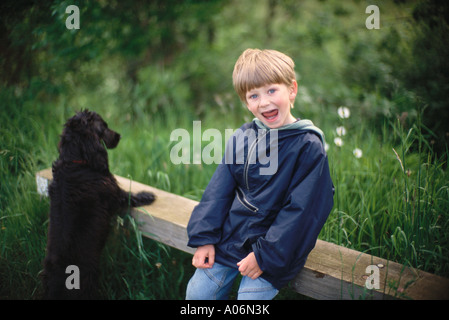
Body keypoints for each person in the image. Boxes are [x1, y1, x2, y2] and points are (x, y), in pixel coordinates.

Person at [185, 48, 334, 300]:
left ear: (292, 90)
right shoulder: (243, 137)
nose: (264, 102)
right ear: (246, 102)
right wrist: (205, 238)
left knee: (249, 300)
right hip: (232, 239)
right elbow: (218, 191)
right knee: (198, 294)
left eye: (271, 91)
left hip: (277, 249)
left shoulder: (308, 146)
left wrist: (265, 256)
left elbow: (303, 212)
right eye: (254, 95)